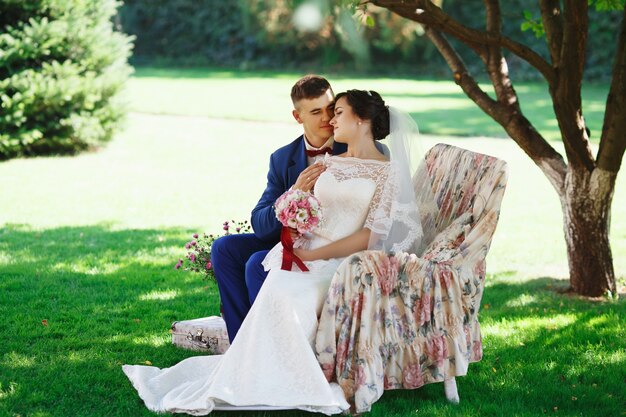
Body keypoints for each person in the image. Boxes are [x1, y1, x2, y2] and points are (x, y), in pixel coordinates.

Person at [122, 90, 422, 415]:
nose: (330, 120)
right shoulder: (324, 162)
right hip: (298, 248)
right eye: (324, 113)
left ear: (361, 119)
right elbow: (287, 212)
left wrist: (315, 255)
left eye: (337, 113)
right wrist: (297, 205)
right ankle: (247, 362)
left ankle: (285, 373)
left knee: (284, 293)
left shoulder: (388, 171)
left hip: (338, 261)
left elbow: (370, 235)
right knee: (253, 269)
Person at [211, 74, 346, 343]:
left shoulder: (356, 147)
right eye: (316, 111)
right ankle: (242, 344)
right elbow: (260, 224)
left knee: (255, 264)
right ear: (298, 117)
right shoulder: (283, 158)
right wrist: (294, 193)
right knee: (224, 248)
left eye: (330, 108)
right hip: (290, 241)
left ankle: (271, 346)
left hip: (333, 245)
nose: (327, 118)